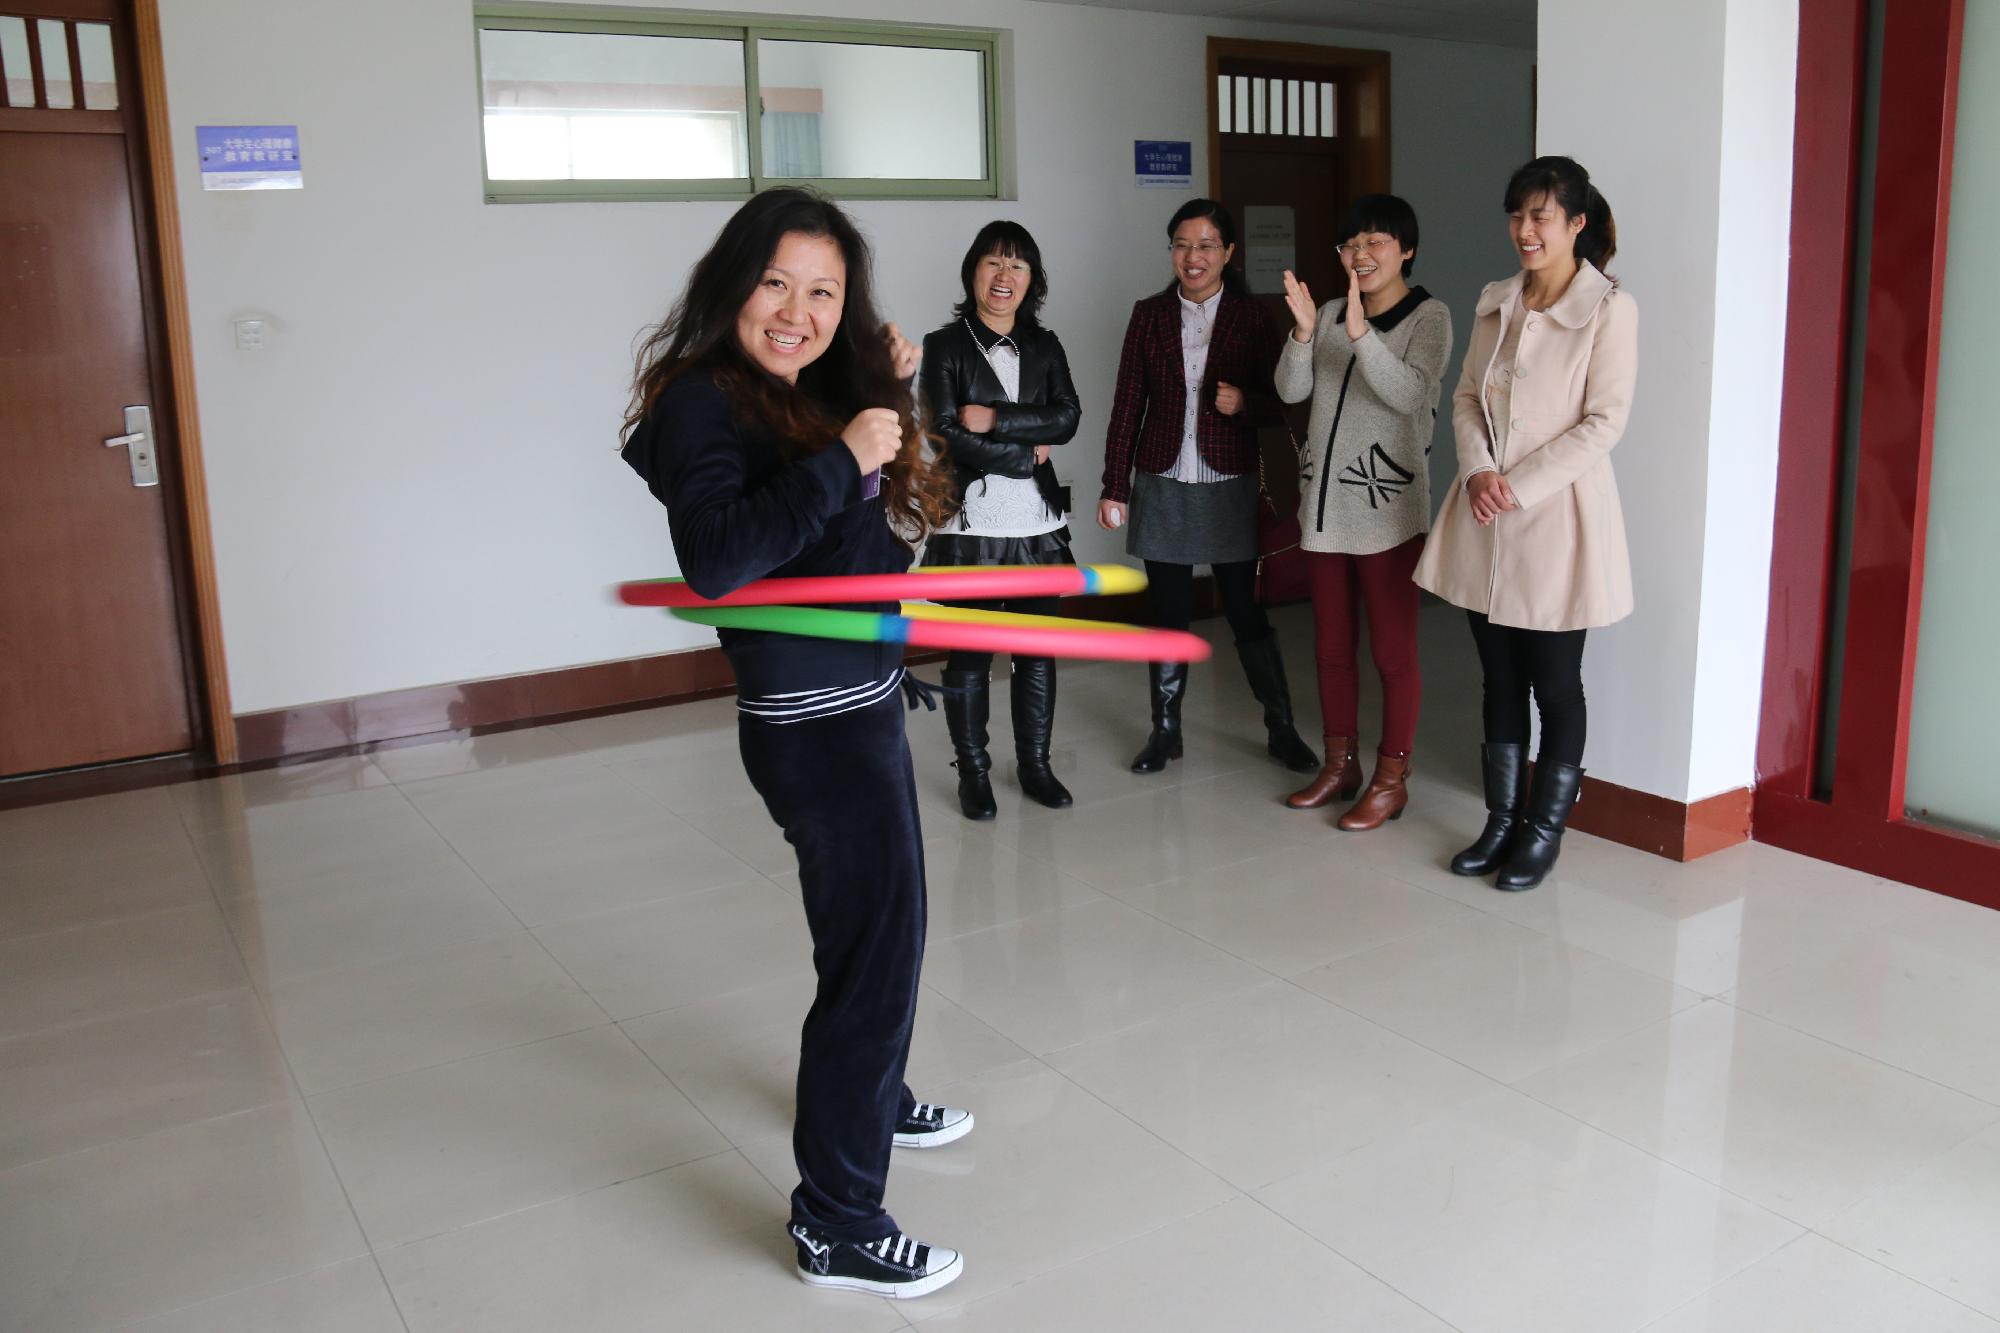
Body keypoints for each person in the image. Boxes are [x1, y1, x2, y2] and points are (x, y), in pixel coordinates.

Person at [619, 188, 970, 1298]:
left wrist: (885, 402)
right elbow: (719, 559)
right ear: (734, 283)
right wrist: (846, 451)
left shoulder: (801, 393)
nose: (797, 312)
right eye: (776, 283)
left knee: (872, 932)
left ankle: (872, 1096)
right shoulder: (700, 404)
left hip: (862, 699)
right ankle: (837, 1220)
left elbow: (864, 550)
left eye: (823, 292)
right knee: (879, 944)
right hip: (813, 724)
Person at [1414, 156, 1639, 890]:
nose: (1525, 230)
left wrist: (1517, 486)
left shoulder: (1609, 309)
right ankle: (1501, 821)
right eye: (1517, 215)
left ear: (1576, 223)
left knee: (1556, 685)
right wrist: (1480, 470)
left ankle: (1543, 833)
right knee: (1498, 680)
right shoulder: (1497, 300)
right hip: (1485, 515)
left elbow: (1604, 422)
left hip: (1556, 519)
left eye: (1541, 216)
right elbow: (1466, 397)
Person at [1098, 198, 1317, 776]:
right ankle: (1165, 733)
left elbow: (1284, 401)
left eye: (1205, 245)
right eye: (1182, 245)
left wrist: (1244, 403)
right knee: (1169, 612)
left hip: (1228, 483)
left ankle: (1281, 729)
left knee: (1244, 610)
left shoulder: (1252, 317)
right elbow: (1127, 404)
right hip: (1163, 480)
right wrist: (1114, 485)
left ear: (1228, 252)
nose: (1192, 257)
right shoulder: (1148, 314)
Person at [1276, 195, 1453, 830]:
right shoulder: (1326, 312)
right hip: (1324, 510)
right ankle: (1339, 764)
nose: (1361, 254)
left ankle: (1391, 779)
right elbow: (1291, 390)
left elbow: (1409, 394)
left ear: (1406, 249)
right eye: (1350, 244)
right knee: (1330, 649)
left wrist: (1360, 336)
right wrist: (1304, 334)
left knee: (1392, 653)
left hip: (1388, 510)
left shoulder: (1429, 316)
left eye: (1376, 241)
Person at [919, 221, 1082, 820]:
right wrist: (1022, 453)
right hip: (971, 521)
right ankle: (974, 773)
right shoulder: (945, 345)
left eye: (1017, 265)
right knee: (971, 653)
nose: (1004, 276)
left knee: (1036, 651)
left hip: (1035, 521)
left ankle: (1035, 766)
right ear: (973, 272)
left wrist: (995, 421)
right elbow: (942, 431)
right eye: (993, 262)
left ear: (1032, 278)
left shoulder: (1046, 344)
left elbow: (1068, 417)